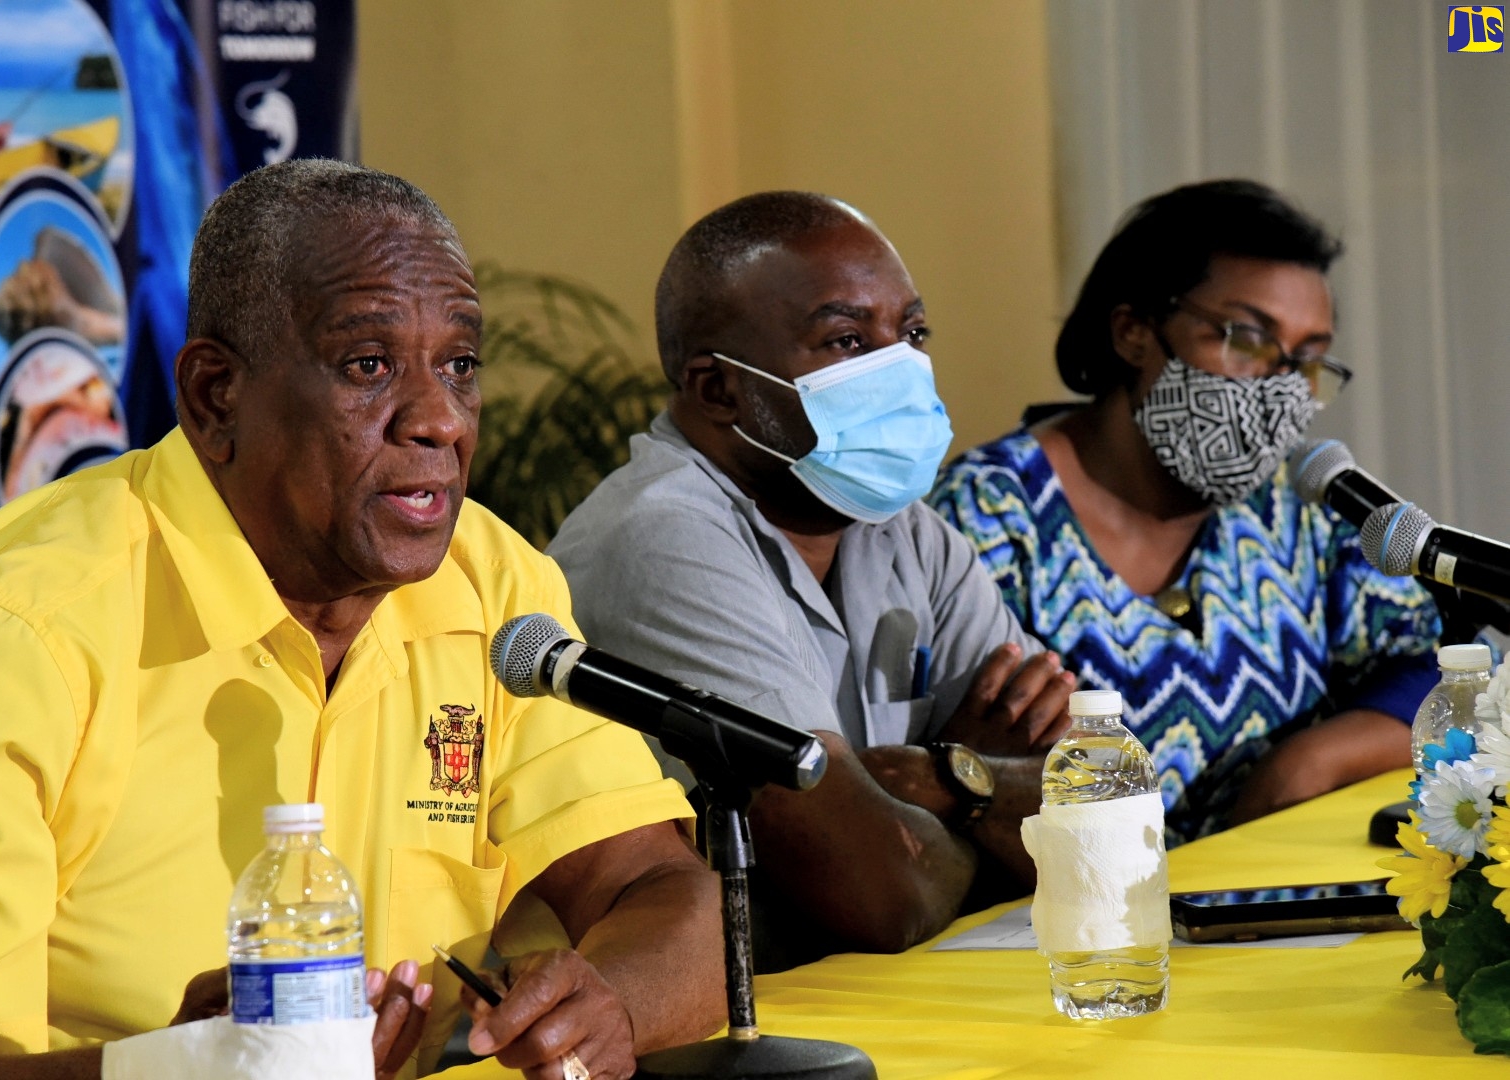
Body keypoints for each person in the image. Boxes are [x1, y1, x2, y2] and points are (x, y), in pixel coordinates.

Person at [0, 160, 724, 1080]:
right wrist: (175, 1069)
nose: (440, 421)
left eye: (459, 366)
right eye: (369, 367)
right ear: (217, 397)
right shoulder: (9, 634)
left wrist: (606, 1008)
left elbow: (661, 892)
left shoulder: (491, 585)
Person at [548, 192, 1073, 969]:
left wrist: (951, 777)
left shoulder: (902, 527)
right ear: (719, 388)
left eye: (913, 334)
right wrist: (984, 795)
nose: (899, 368)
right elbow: (881, 895)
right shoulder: (661, 537)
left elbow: (1114, 819)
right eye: (847, 340)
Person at [930, 179, 1442, 844]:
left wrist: (1309, 761)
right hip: (1075, 929)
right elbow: (962, 765)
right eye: (1247, 338)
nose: (1279, 386)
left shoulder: (1293, 508)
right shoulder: (991, 516)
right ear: (1134, 331)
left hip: (1286, 922)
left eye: (1307, 360)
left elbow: (1440, 669)